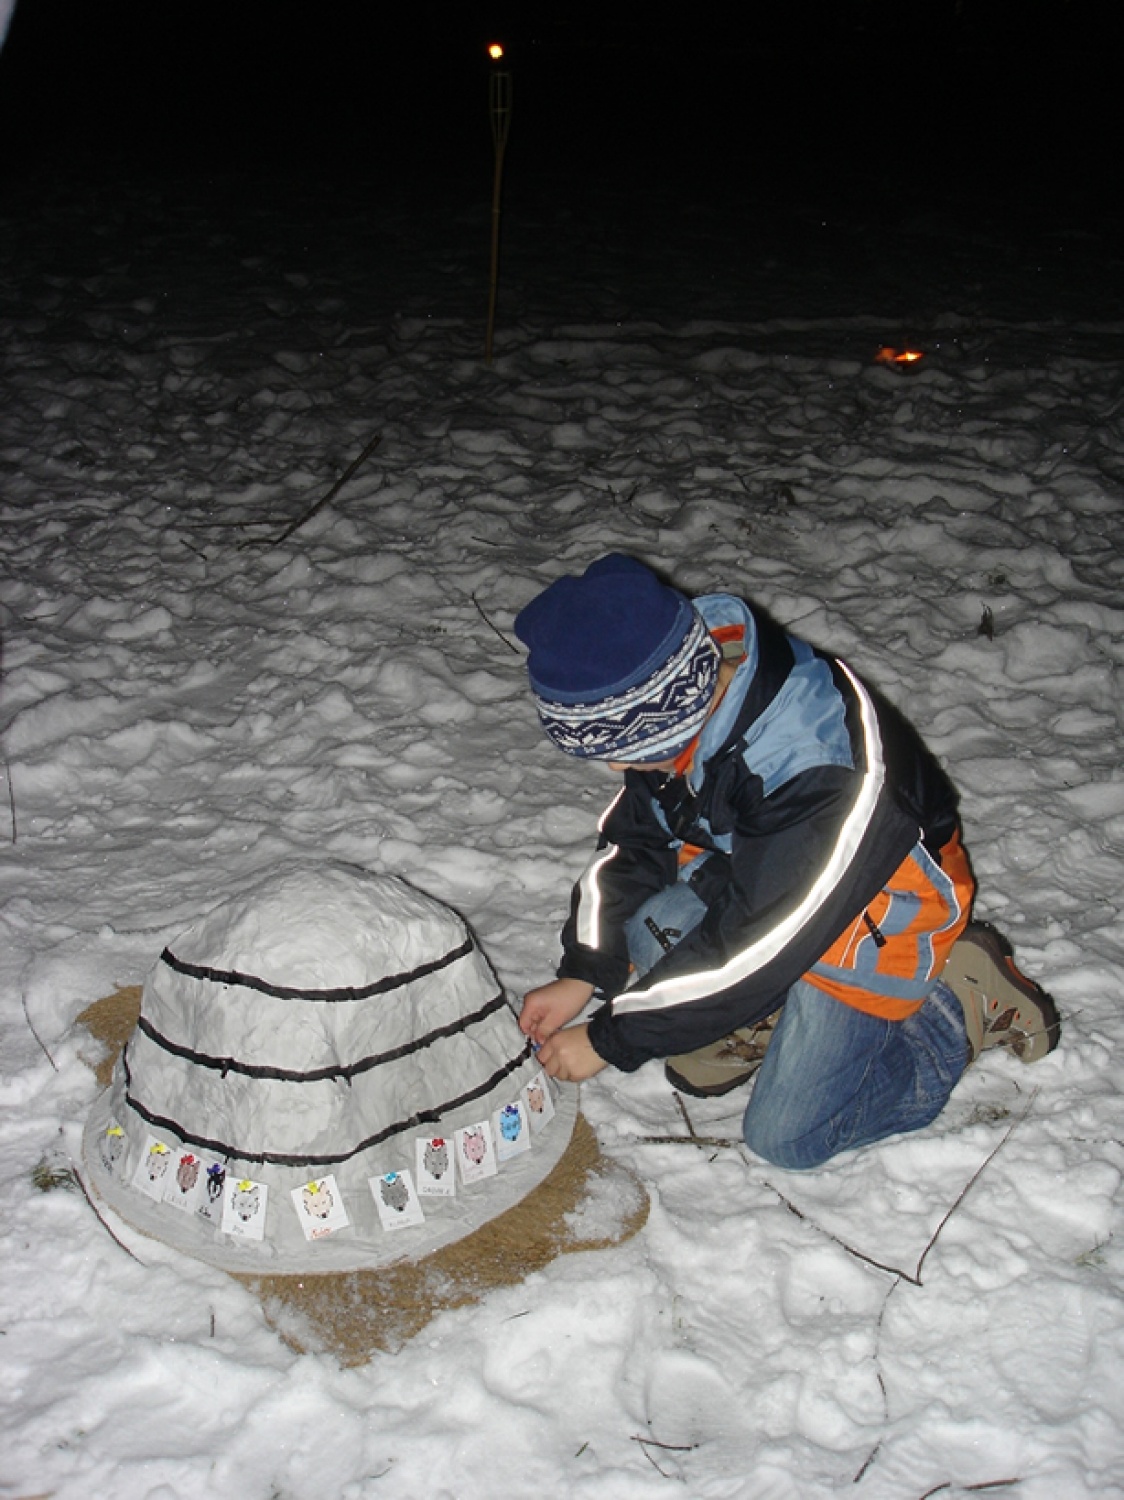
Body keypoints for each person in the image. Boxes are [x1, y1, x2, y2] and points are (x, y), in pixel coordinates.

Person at [513, 554, 1060, 1170]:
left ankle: (957, 1005)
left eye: (629, 748)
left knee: (788, 1136)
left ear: (672, 700)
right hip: (767, 880)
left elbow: (758, 946)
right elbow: (633, 843)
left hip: (877, 920)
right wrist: (587, 969)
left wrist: (610, 1039)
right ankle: (770, 1014)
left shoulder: (815, 763)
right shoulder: (687, 711)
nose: (620, 769)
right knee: (645, 930)